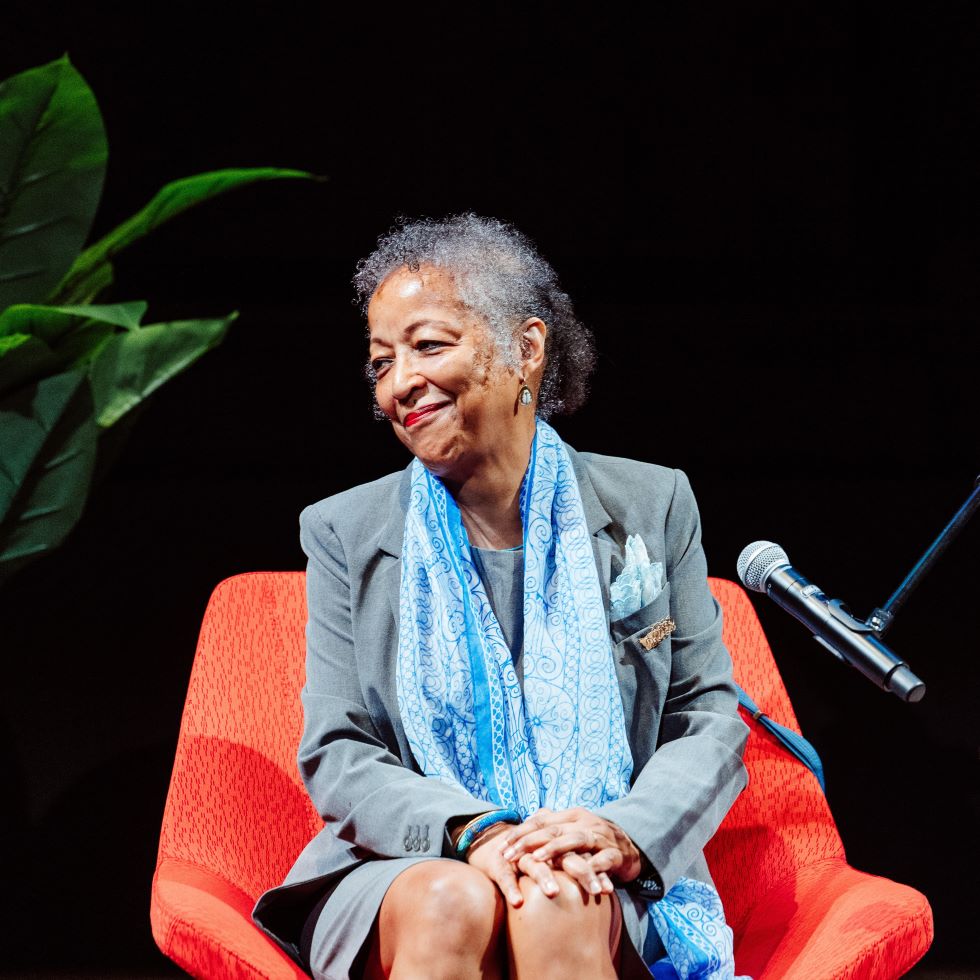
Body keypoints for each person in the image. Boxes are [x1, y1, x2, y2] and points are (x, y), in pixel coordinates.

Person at [253, 214, 749, 979]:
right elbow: (340, 750)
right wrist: (475, 831)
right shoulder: (343, 531)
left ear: (525, 348)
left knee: (556, 894)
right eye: (381, 362)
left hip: (601, 858)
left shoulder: (653, 503)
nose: (400, 383)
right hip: (407, 862)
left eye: (428, 346)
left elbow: (706, 720)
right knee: (454, 900)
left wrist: (620, 835)